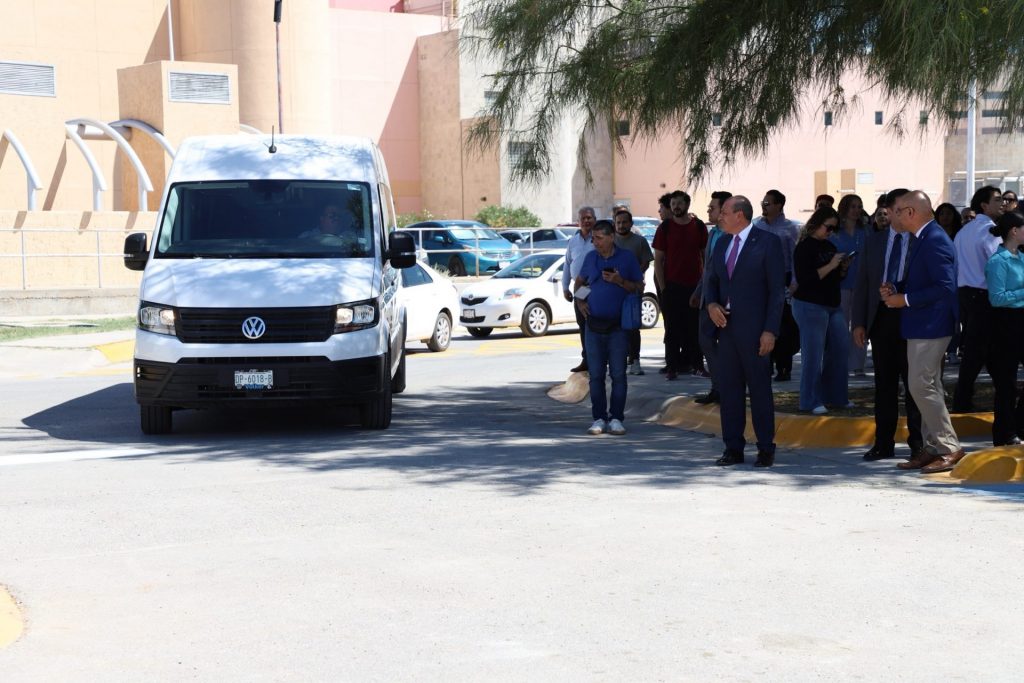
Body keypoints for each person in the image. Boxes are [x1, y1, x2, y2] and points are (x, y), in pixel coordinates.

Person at [881, 189, 964, 474]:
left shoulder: (935, 239)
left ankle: (949, 447)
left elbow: (945, 287)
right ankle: (933, 446)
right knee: (928, 386)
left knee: (920, 385)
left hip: (932, 325)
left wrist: (903, 299)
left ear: (911, 212)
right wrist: (896, 288)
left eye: (898, 211)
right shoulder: (924, 237)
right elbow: (923, 280)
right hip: (922, 324)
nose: (893, 215)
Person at [705, 195, 785, 467]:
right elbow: (711, 281)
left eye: (724, 212)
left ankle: (765, 448)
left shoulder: (767, 242)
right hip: (726, 329)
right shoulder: (722, 243)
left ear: (739, 215)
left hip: (755, 330)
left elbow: (777, 291)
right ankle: (733, 448)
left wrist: (770, 330)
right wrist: (711, 305)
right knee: (729, 391)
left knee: (760, 390)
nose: (720, 217)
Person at [852, 193, 925, 461]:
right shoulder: (874, 241)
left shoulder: (921, 241)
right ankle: (883, 443)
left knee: (914, 384)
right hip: (882, 319)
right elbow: (862, 284)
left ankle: (918, 444)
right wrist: (859, 323)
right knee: (884, 385)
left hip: (912, 317)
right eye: (897, 209)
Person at [574, 220, 644, 435]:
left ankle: (616, 418)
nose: (595, 242)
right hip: (593, 325)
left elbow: (638, 287)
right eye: (593, 238)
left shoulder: (627, 258)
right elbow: (580, 282)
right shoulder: (591, 258)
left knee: (618, 374)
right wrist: (580, 301)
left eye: (599, 238)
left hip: (618, 327)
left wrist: (619, 281)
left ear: (611, 237)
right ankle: (599, 418)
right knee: (596, 376)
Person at [792, 208, 850, 414]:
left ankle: (835, 396)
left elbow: (834, 278)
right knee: (813, 355)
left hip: (832, 304)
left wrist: (842, 268)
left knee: (841, 348)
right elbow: (806, 279)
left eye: (835, 228)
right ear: (816, 224)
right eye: (828, 227)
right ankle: (809, 400)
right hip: (809, 304)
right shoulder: (804, 247)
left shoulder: (830, 246)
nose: (831, 232)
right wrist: (832, 264)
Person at [951, 186, 1004, 412]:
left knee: (987, 350)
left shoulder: (964, 231)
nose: (1002, 203)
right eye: (997, 199)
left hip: (966, 294)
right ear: (984, 205)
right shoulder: (990, 231)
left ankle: (1003, 394)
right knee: (976, 352)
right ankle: (962, 401)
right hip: (984, 296)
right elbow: (999, 265)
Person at [653, 190, 707, 380]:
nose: (676, 207)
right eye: (673, 203)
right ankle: (672, 367)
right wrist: (664, 289)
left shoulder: (699, 226)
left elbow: (705, 256)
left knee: (695, 328)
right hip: (672, 286)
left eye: (680, 203)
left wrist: (703, 285)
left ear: (687, 205)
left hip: (694, 286)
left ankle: (697, 365)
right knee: (672, 329)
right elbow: (658, 260)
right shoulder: (665, 228)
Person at [984, 210, 1024, 446]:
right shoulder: (997, 262)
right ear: (1014, 231)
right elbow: (997, 298)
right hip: (1005, 326)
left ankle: (1019, 425)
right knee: (1006, 384)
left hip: (1021, 322)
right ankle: (1005, 433)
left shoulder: (1022, 257)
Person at [753, 189, 799, 382]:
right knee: (762, 322)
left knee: (783, 325)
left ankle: (783, 367)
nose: (764, 206)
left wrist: (794, 282)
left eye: (768, 203)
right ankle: (766, 363)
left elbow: (795, 257)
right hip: (761, 279)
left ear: (778, 205)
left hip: (783, 278)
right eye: (763, 203)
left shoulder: (790, 228)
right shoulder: (757, 225)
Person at [692, 190, 732, 404]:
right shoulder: (713, 233)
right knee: (706, 341)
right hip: (708, 298)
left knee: (727, 345)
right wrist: (699, 291)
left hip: (724, 301)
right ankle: (718, 386)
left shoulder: (733, 236)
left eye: (712, 207)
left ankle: (727, 386)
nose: (708, 210)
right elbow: (708, 268)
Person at [613, 209, 654, 375]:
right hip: (613, 292)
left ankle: (635, 361)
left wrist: (633, 275)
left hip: (632, 291)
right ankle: (619, 361)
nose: (621, 225)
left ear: (631, 223)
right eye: (618, 222)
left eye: (624, 222)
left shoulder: (639, 241)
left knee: (632, 327)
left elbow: (646, 262)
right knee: (615, 327)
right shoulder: (610, 241)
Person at [832, 194, 869, 377]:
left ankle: (858, 363)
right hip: (842, 284)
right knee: (841, 325)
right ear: (844, 208)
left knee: (860, 323)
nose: (856, 210)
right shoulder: (835, 233)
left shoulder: (866, 232)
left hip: (862, 284)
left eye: (859, 206)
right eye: (853, 206)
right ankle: (840, 363)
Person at [562, 206, 597, 372]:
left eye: (589, 217)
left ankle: (600, 359)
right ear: (578, 222)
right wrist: (565, 287)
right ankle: (587, 360)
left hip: (596, 287)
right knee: (583, 325)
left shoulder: (599, 238)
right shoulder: (573, 241)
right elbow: (567, 264)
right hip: (580, 288)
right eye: (583, 218)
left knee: (597, 324)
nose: (586, 221)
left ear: (595, 219)